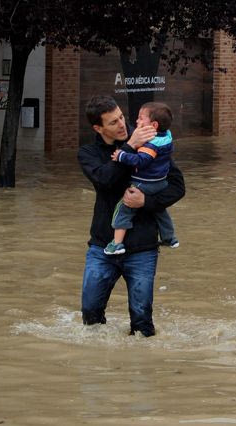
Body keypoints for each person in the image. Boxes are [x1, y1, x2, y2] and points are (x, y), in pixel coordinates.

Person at [78, 95, 185, 337]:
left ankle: (142, 368)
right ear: (98, 128)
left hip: (143, 248)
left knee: (141, 321)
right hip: (102, 246)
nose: (122, 124)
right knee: (90, 314)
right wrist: (128, 148)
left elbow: (177, 187)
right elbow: (105, 180)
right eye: (113, 122)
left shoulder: (152, 144)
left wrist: (146, 201)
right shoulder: (88, 153)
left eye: (122, 117)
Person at [105, 102, 179, 255]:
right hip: (161, 183)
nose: (136, 121)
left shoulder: (150, 145)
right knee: (160, 211)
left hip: (144, 183)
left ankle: (117, 243)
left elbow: (141, 161)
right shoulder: (166, 137)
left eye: (140, 118)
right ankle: (169, 238)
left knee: (123, 208)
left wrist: (122, 155)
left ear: (153, 125)